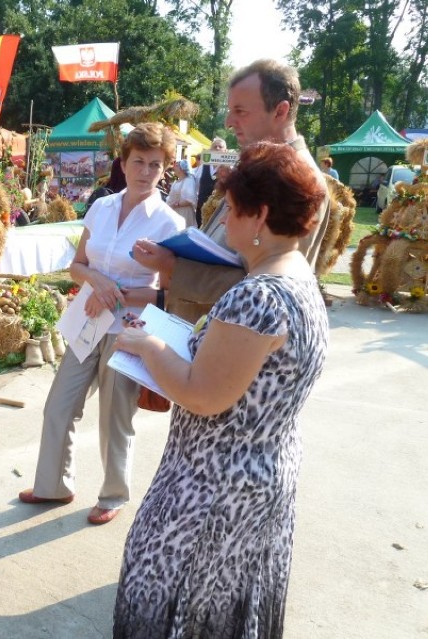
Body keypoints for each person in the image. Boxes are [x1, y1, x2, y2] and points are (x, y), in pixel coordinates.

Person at [113, 142, 330, 638]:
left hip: (212, 489)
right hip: (257, 477)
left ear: (261, 217)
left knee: (174, 605)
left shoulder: (257, 296)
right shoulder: (297, 277)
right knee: (230, 611)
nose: (224, 221)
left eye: (232, 210)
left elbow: (204, 394)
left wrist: (147, 345)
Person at [18, 123, 185, 526]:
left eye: (155, 165)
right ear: (123, 163)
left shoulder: (169, 224)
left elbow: (170, 295)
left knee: (115, 417)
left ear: (165, 170)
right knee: (59, 405)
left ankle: (113, 495)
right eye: (139, 161)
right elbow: (77, 266)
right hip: (88, 320)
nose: (146, 171)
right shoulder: (101, 207)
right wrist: (99, 281)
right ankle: (53, 484)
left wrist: (120, 293)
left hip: (128, 331)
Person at [132, 59, 330, 324]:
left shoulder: (298, 182)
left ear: (280, 112)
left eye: (240, 111)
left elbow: (267, 289)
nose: (228, 121)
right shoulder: (263, 168)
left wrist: (172, 267)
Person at [193, 137, 227, 226]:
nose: (218, 148)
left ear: (225, 150)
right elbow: (196, 183)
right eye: (215, 146)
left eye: (220, 147)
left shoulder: (228, 169)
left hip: (218, 211)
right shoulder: (204, 165)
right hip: (202, 208)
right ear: (210, 150)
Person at [166, 158, 197, 228]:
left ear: (182, 168)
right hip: (175, 211)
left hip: (184, 212)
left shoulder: (189, 180)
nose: (174, 167)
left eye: (176, 165)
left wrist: (176, 204)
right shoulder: (177, 181)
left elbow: (190, 199)